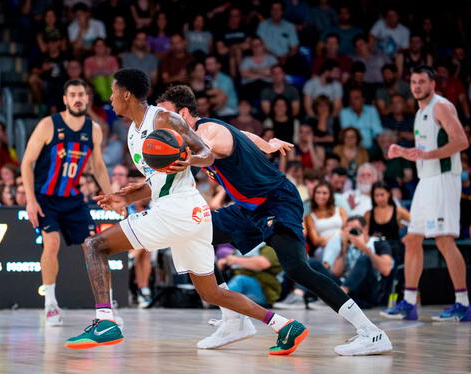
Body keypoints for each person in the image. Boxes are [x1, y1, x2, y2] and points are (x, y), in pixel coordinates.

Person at [65, 69, 309, 355]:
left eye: (113, 92)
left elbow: (206, 153)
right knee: (211, 292)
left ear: (126, 94)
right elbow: (161, 178)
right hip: (191, 213)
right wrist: (132, 194)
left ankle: (105, 322)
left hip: (177, 210)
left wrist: (188, 159)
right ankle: (284, 325)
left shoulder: (164, 118)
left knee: (95, 246)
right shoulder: (133, 132)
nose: (110, 99)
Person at [157, 84, 392, 355]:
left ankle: (371, 332)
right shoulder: (214, 130)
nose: (162, 122)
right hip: (249, 208)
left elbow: (207, 151)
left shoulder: (207, 132)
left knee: (297, 269)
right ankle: (233, 321)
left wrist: (185, 158)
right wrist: (268, 144)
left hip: (277, 201)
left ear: (184, 113)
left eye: (166, 114)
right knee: (196, 234)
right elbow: (243, 135)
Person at [382, 65, 471, 321]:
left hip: (443, 179)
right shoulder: (421, 111)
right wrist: (403, 151)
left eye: (422, 81)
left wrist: (427, 155)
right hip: (426, 180)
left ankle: (463, 303)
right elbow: (424, 151)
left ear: (432, 84)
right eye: (413, 82)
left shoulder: (441, 106)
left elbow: (462, 142)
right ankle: (408, 303)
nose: (417, 86)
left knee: (444, 240)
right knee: (412, 239)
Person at [21, 79, 112, 326]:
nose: (77, 99)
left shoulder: (93, 129)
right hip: (45, 198)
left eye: (81, 94)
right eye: (72, 94)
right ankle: (50, 304)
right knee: (51, 243)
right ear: (65, 99)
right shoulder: (48, 125)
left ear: (88, 98)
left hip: (73, 198)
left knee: (94, 246)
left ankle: (106, 309)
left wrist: (111, 194)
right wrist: (30, 200)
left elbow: (98, 166)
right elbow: (27, 163)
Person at [365, 181, 410, 254]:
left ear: (388, 194)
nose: (379, 199)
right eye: (376, 195)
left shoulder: (399, 211)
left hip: (394, 249)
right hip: (374, 248)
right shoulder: (368, 214)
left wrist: (408, 236)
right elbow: (364, 233)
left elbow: (415, 223)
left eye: (382, 195)